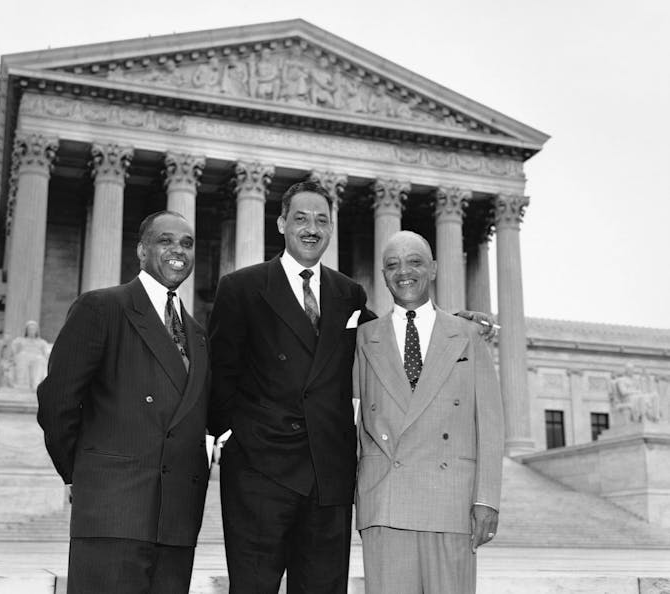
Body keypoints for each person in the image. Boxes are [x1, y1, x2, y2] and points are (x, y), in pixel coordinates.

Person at [209, 181, 375, 593]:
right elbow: (219, 371)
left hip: (328, 476)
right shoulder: (241, 287)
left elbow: (386, 339)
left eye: (322, 220)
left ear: (331, 229)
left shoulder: (348, 293)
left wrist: (447, 321)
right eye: (301, 218)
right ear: (282, 223)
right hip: (259, 474)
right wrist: (237, 435)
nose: (311, 228)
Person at [37, 210, 210, 594]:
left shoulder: (197, 334)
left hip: (176, 522)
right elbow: (57, 401)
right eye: (165, 241)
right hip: (113, 514)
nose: (177, 250)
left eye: (187, 243)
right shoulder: (101, 307)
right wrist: (86, 473)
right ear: (141, 250)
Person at [353, 230, 505, 594]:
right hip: (385, 501)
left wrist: (486, 498)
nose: (404, 271)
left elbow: (490, 422)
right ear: (383, 274)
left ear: (434, 269)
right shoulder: (363, 337)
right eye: (393, 265)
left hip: (451, 499)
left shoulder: (467, 335)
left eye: (415, 262)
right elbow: (348, 418)